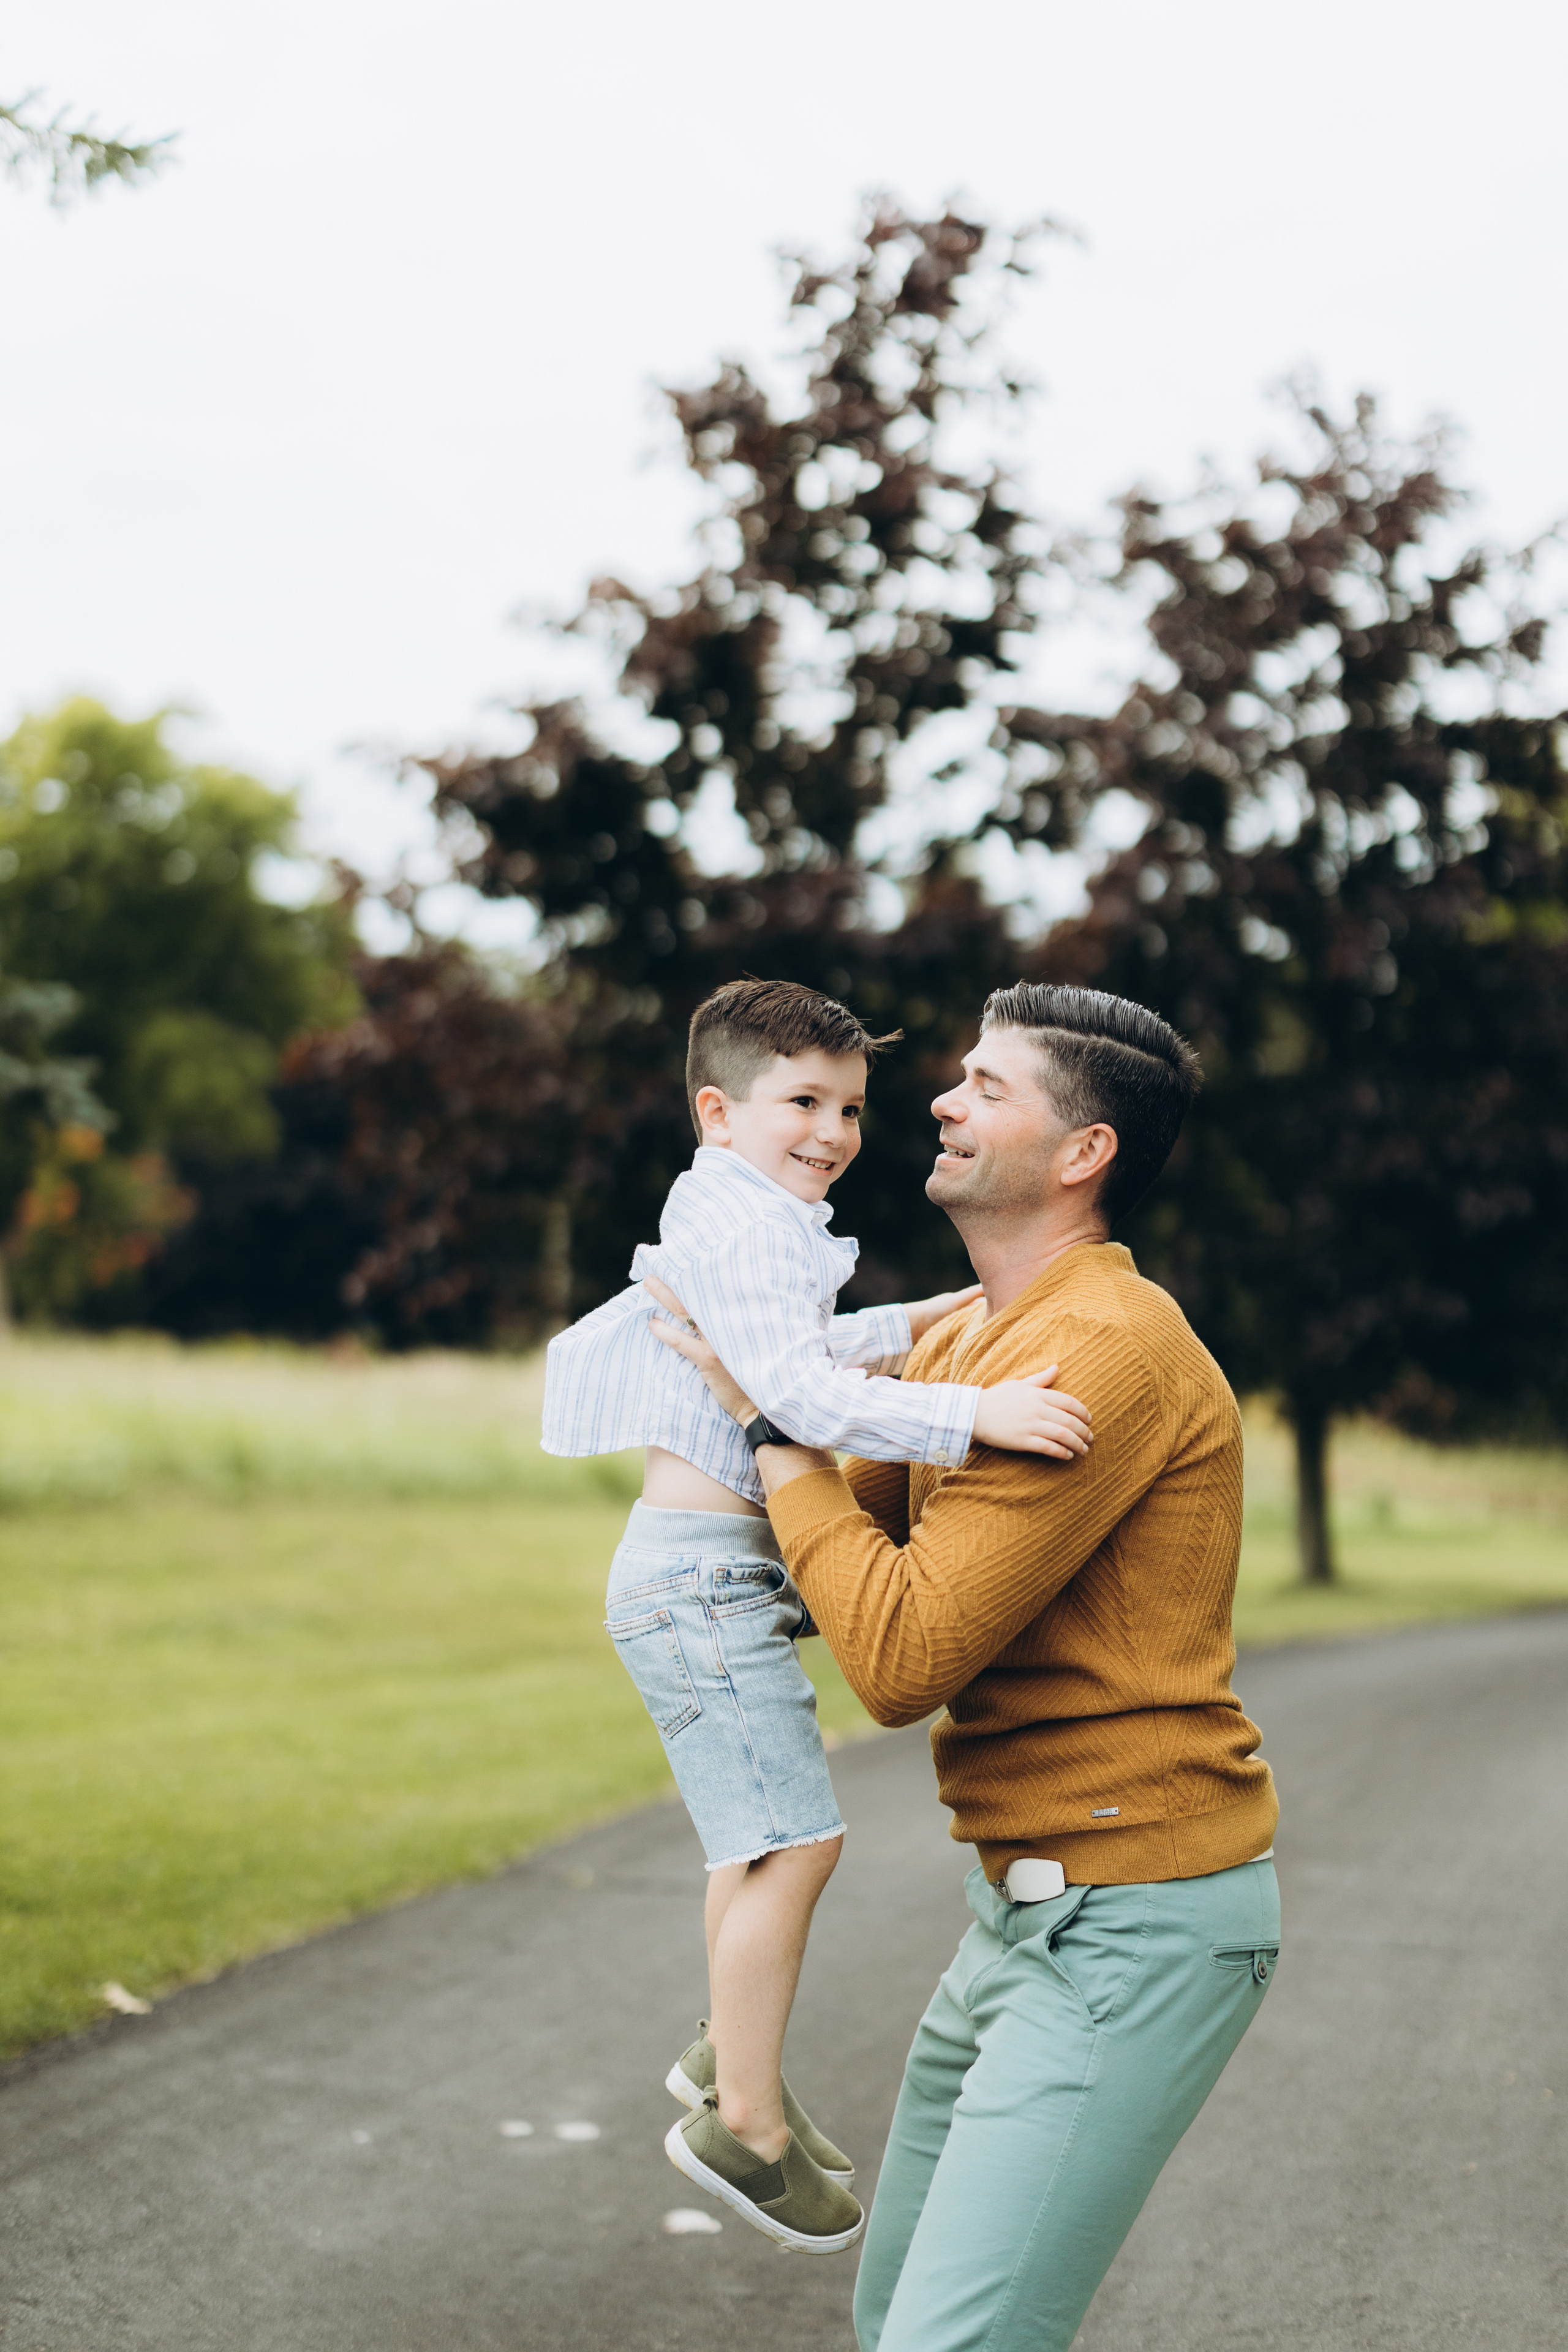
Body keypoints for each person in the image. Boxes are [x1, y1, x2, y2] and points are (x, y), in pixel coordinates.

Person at [650, 981, 1281, 2350]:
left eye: (985, 1087)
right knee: (895, 2327)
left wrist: (764, 1410)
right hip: (1016, 1916)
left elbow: (896, 1648)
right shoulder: (962, 1342)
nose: (937, 1099)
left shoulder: (1103, 1349)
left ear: (1080, 1155)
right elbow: (824, 1545)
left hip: (1131, 1922)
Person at [541, 978, 1093, 2257]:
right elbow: (793, 1390)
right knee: (797, 1844)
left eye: (849, 1107)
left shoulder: (752, 1215)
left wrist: (915, 1324)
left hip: (706, 1574)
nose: (834, 1131)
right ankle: (744, 2124)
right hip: (704, 1579)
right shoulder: (741, 1224)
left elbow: (798, 1347)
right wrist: (976, 1414)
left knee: (752, 1846)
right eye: (803, 1102)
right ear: (715, 1111)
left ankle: (726, 2061)